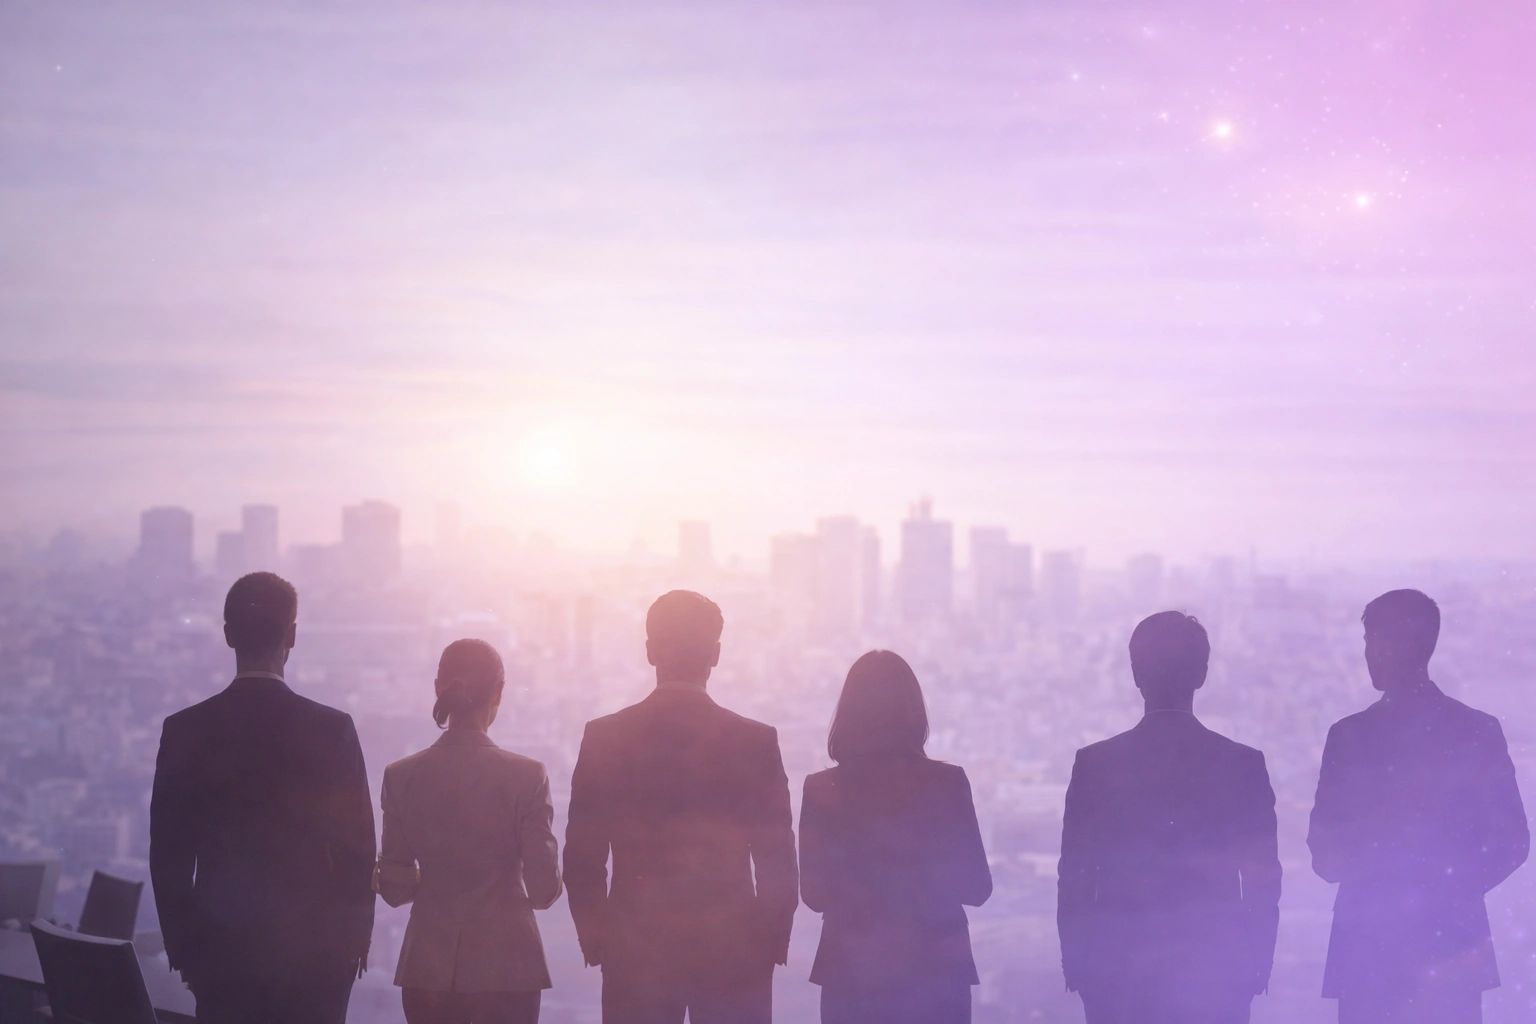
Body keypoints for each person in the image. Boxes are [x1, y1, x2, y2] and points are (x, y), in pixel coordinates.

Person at [564, 590, 798, 1024]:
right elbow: (777, 859)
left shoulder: (606, 738)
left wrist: (598, 940)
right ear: (716, 654)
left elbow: (582, 857)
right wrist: (769, 943)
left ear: (650, 651)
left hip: (634, 947)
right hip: (734, 949)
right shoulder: (754, 741)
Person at [150, 572, 375, 1024]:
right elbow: (357, 852)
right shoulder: (332, 730)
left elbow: (169, 855)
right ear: (292, 635)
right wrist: (352, 947)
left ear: (228, 634)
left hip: (222, 955)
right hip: (315, 959)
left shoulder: (186, 730)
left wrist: (184, 950)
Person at [1309, 589, 1529, 1024]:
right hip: (1451, 945)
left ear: (1394, 645)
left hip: (1366, 951)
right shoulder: (1476, 730)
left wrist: (1376, 875)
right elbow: (1512, 842)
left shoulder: (1349, 737)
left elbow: (1324, 856)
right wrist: (1451, 888)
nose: (1367, 654)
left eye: (1372, 640)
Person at [1057, 611, 1280, 1024]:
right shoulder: (1241, 765)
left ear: (1135, 674)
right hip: (1215, 973)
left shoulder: (1095, 765)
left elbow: (1075, 877)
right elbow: (1262, 879)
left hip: (1117, 975)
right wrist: (1255, 965)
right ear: (1202, 674)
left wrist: (1079, 965)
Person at [799, 650, 992, 1024]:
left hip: (849, 975)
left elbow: (814, 894)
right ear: (913, 712)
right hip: (936, 970)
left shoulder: (822, 788)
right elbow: (978, 888)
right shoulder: (947, 784)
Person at [376, 639, 562, 1024]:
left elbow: (394, 889)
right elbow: (543, 891)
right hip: (509, 967)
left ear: (438, 689)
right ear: (499, 692)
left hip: (428, 965)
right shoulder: (527, 776)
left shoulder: (401, 776)